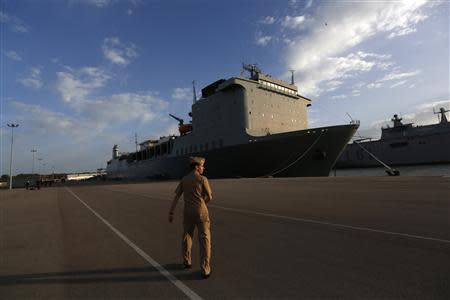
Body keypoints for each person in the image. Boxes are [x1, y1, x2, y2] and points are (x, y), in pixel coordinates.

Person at [168, 156, 213, 279]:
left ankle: (187, 261)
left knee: (187, 236)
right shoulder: (203, 179)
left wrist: (171, 212)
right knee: (205, 239)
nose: (203, 168)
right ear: (197, 167)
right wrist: (202, 203)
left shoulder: (184, 179)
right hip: (201, 212)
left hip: (188, 213)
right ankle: (205, 269)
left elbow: (176, 197)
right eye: (202, 166)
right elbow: (209, 197)